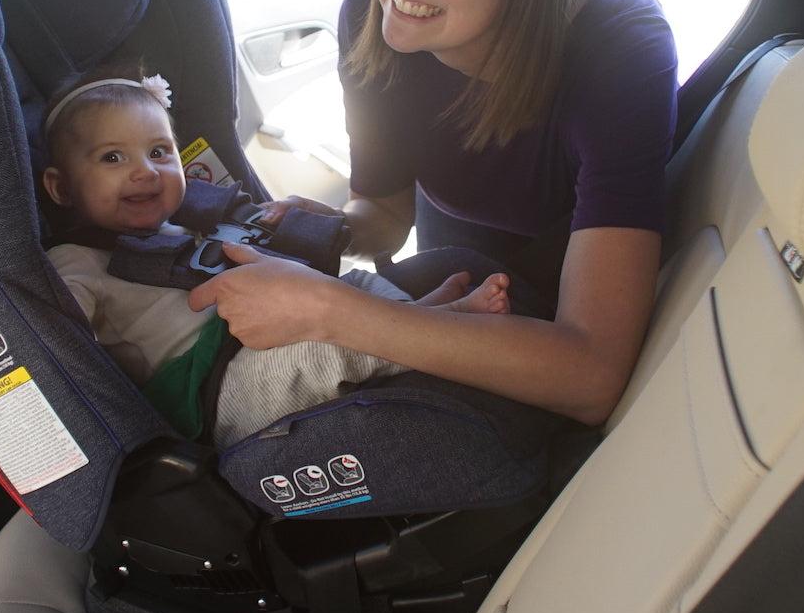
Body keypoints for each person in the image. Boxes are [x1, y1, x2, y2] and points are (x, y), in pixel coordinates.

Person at [190, 0, 678, 427]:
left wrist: (328, 310)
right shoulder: (371, 11)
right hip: (459, 238)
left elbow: (592, 376)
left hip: (571, 260)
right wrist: (333, 229)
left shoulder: (621, 55)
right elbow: (386, 213)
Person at [40, 65, 510, 447]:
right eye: (112, 158)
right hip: (216, 386)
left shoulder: (193, 217)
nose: (145, 171)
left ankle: (420, 316)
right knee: (324, 341)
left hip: (266, 325)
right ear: (61, 187)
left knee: (349, 288)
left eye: (159, 151)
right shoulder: (74, 261)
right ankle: (438, 329)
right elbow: (54, 341)